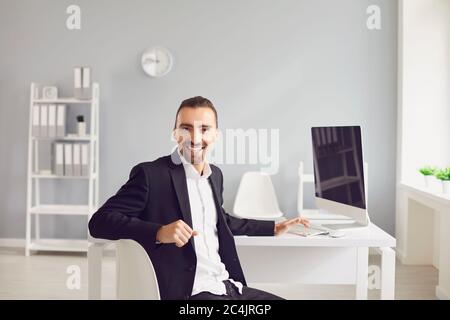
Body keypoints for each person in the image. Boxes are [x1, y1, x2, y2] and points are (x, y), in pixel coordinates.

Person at [88, 96, 310, 300]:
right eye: (186, 128)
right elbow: (99, 222)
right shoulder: (150, 174)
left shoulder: (216, 175)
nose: (194, 138)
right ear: (175, 133)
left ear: (216, 135)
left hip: (228, 286)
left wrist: (273, 228)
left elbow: (222, 221)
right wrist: (158, 232)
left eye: (204, 129)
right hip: (191, 294)